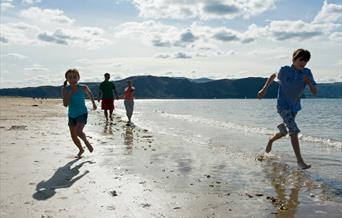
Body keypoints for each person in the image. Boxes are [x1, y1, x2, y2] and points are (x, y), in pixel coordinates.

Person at [257, 48, 317, 169]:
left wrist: (309, 82)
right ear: (294, 59)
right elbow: (274, 75)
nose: (303, 63)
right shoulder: (285, 70)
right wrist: (264, 89)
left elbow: (315, 92)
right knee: (293, 130)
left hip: (294, 106)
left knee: (284, 132)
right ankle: (299, 161)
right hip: (283, 105)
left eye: (305, 61)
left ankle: (270, 140)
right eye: (301, 60)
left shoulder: (307, 72)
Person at [62, 69, 97, 158]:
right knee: (73, 136)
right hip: (71, 115)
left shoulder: (83, 87)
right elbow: (65, 104)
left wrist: (94, 104)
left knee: (78, 131)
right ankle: (81, 149)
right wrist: (69, 93)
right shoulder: (65, 89)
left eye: (74, 77)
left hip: (82, 113)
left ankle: (86, 141)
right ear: (67, 79)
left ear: (78, 78)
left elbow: (90, 94)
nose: (72, 79)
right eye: (70, 77)